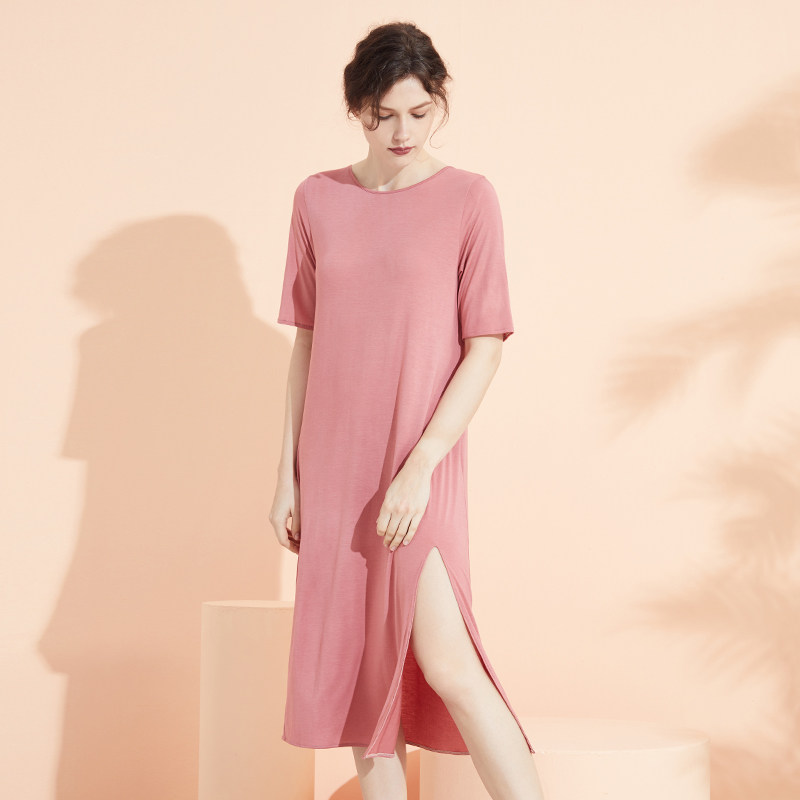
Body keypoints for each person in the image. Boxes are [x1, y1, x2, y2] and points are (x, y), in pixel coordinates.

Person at [270, 20, 545, 800]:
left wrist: (421, 464)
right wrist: (287, 475)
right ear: (356, 108)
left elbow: (485, 347)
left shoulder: (469, 199)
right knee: (364, 693)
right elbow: (307, 343)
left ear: (438, 104)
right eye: (381, 114)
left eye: (419, 112)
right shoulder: (317, 199)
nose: (401, 131)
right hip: (333, 467)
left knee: (450, 665)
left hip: (419, 461)